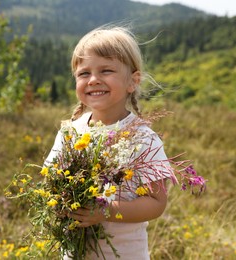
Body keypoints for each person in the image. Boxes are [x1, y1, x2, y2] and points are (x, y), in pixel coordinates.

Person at [44, 26, 171, 260]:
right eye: (83, 74)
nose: (93, 80)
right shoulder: (70, 132)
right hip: (74, 254)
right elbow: (51, 180)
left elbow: (156, 203)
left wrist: (104, 211)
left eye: (106, 70)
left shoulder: (143, 138)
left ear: (132, 81)